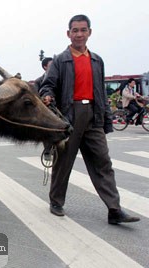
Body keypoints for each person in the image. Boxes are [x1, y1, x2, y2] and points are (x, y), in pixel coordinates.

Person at [40, 14, 140, 224]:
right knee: (64, 161)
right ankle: (56, 201)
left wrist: (106, 119)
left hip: (93, 115)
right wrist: (46, 95)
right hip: (69, 115)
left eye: (83, 30)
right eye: (75, 30)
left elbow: (101, 92)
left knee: (103, 162)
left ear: (90, 32)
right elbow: (48, 84)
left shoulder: (96, 60)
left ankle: (114, 209)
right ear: (68, 34)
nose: (79, 34)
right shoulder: (60, 60)